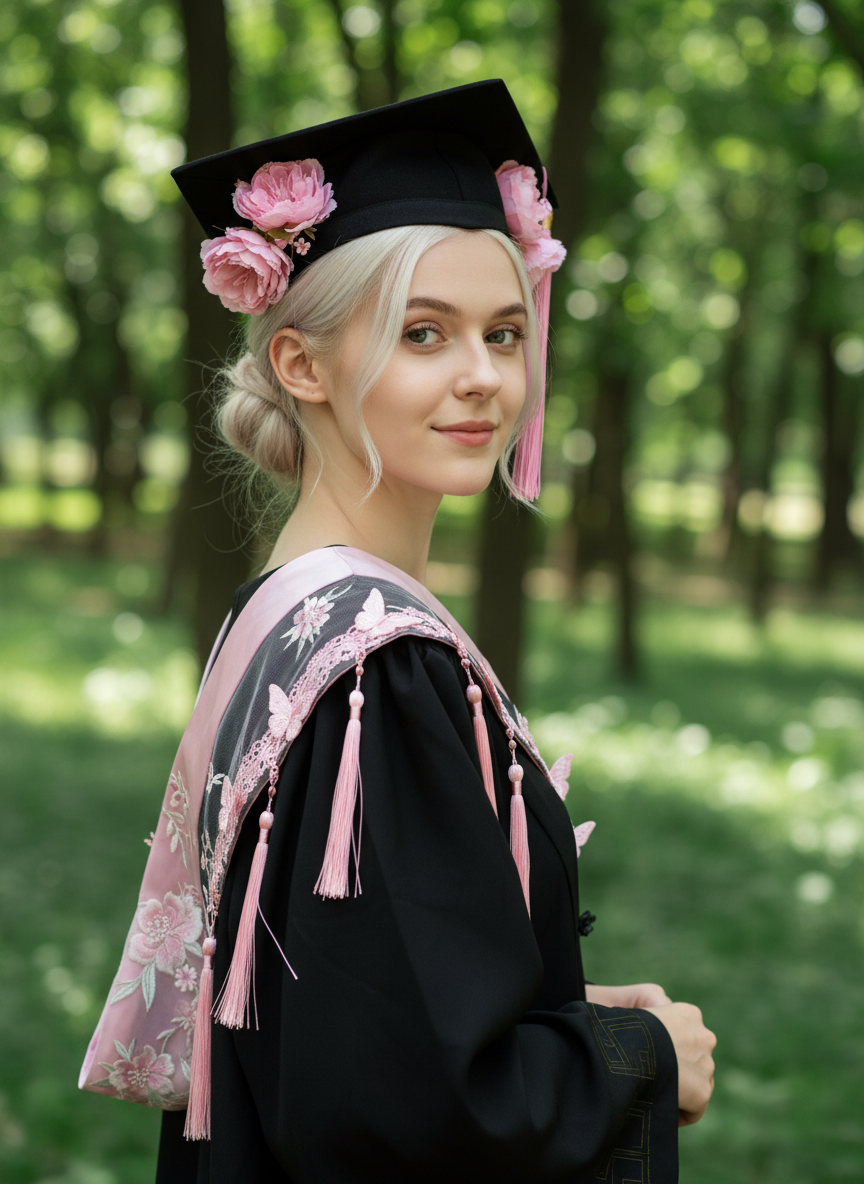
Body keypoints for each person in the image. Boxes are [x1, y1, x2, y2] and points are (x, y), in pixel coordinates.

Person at [79, 80, 715, 1182]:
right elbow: (406, 1110)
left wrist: (561, 1007)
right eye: (425, 332)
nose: (484, 376)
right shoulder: (383, 669)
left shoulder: (283, 610)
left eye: (504, 332)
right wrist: (643, 1054)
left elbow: (344, 1005)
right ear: (301, 363)